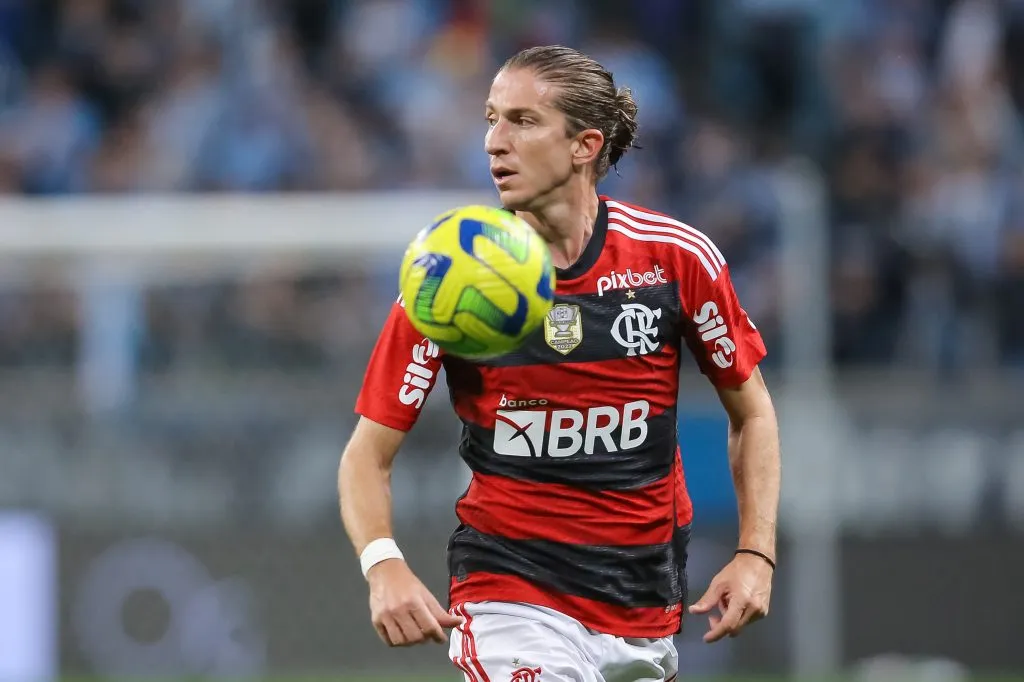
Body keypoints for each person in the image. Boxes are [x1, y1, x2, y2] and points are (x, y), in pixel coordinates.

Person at [339, 45, 781, 682]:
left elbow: (754, 412)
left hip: (642, 602)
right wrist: (383, 565)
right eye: (490, 119)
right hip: (509, 591)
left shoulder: (673, 259)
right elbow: (366, 453)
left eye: (521, 121)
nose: (495, 142)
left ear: (584, 145)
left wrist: (755, 553)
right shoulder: (448, 275)